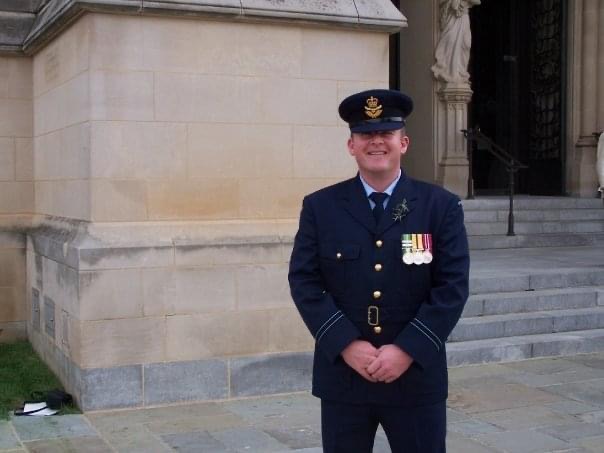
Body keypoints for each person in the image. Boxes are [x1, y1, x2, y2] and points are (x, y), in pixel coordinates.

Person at [288, 89, 470, 453]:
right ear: (350, 146)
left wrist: (406, 350)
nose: (376, 142)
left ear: (403, 142)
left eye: (385, 134)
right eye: (365, 135)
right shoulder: (321, 207)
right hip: (345, 376)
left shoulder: (439, 207)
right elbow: (304, 281)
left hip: (415, 375)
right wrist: (346, 344)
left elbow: (451, 287)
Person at [431, 0, 481, 84]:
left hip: (464, 17)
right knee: (451, 42)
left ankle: (461, 72)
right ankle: (452, 72)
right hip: (453, 18)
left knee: (466, 44)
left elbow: (477, 1)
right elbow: (447, 4)